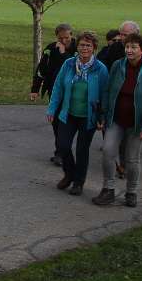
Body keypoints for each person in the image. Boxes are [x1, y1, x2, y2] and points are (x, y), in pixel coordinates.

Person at [96, 33, 142, 208]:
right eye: (127, 47)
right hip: (116, 119)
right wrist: (103, 114)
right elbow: (108, 91)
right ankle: (108, 189)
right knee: (108, 152)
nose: (129, 50)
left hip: (137, 124)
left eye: (133, 47)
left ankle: (132, 191)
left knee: (132, 160)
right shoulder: (118, 65)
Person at [46, 30, 108, 196]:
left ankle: (78, 183)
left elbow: (105, 95)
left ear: (94, 48)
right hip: (68, 113)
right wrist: (52, 109)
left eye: (88, 45)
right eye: (82, 45)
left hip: (88, 117)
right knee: (63, 145)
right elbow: (58, 87)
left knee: (82, 150)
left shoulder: (100, 69)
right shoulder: (68, 64)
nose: (84, 48)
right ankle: (69, 174)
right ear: (77, 46)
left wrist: (102, 117)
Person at [30, 23, 74, 165]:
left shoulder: (78, 49)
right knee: (56, 122)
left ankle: (64, 151)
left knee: (67, 123)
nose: (64, 41)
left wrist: (62, 53)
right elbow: (41, 69)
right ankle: (59, 152)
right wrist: (35, 89)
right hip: (55, 91)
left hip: (73, 93)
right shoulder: (50, 49)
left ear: (71, 35)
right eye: (61, 38)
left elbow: (72, 66)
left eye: (66, 38)